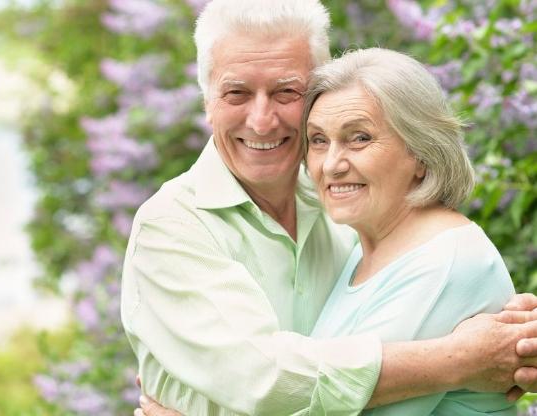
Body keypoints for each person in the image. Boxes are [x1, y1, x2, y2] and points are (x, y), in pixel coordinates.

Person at [121, 0, 537, 415]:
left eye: (286, 92)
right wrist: (460, 361)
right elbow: (263, 379)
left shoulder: (358, 216)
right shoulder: (171, 225)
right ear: (206, 101)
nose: (262, 121)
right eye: (237, 93)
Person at [304, 47, 518, 414]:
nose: (331, 165)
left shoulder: (445, 261)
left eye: (359, 138)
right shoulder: (365, 249)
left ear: (421, 153)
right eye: (319, 140)